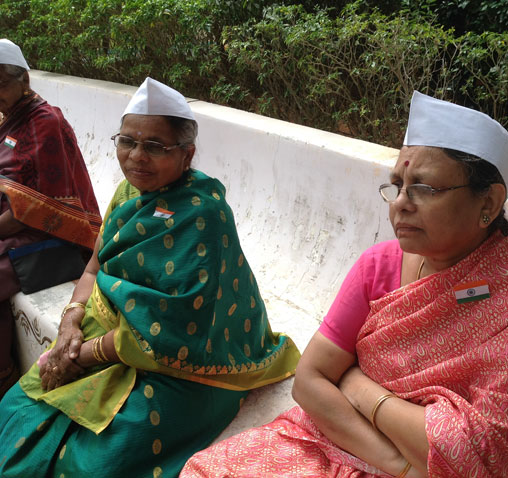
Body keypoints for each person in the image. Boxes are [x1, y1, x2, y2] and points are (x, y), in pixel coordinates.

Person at [180, 91, 508, 478]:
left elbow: (485, 459)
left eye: (425, 188)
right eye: (398, 186)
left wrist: (357, 386)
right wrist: (399, 464)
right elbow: (310, 381)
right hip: (337, 443)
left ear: (489, 204)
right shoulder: (379, 265)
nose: (401, 203)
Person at [0, 77, 300, 477]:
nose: (136, 156)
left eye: (155, 147)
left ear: (187, 154)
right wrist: (71, 321)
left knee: (95, 462)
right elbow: (95, 265)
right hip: (106, 330)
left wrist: (78, 356)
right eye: (127, 142)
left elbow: (173, 328)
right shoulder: (128, 192)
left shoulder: (203, 214)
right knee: (16, 408)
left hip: (182, 359)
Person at [0, 39, 101, 399]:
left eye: (1, 83)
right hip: (16, 225)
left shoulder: (45, 122)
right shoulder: (9, 116)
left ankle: (4, 378)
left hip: (58, 236)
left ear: (24, 79)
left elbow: (40, 209)